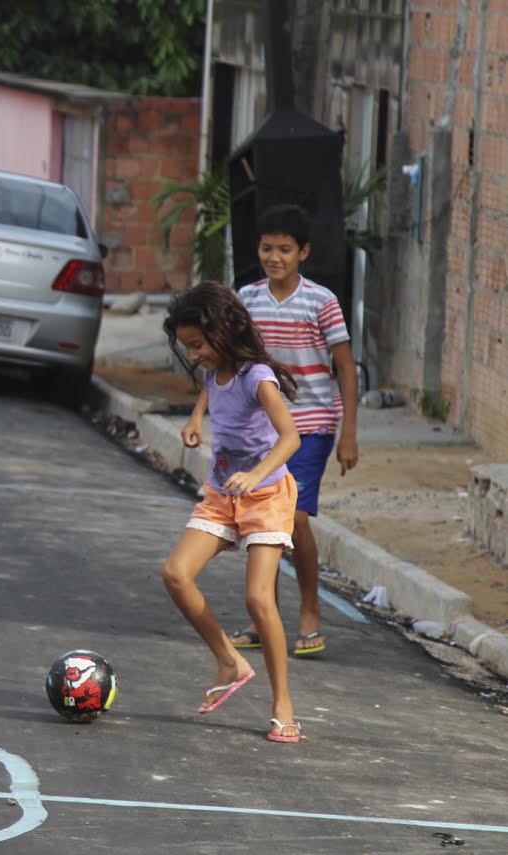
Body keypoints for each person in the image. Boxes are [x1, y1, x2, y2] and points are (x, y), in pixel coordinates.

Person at [162, 281, 303, 743]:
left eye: (199, 345)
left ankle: (283, 704)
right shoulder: (213, 371)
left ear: (223, 331)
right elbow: (210, 388)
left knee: (258, 600)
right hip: (224, 494)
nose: (195, 354)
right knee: (176, 574)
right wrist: (196, 418)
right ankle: (229, 659)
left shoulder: (256, 375)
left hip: (267, 496)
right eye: (189, 347)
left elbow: (290, 438)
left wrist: (255, 472)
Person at [228, 204, 359, 658]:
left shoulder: (321, 301)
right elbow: (231, 360)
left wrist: (348, 434)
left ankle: (309, 614)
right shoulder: (247, 299)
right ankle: (263, 618)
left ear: (303, 251)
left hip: (311, 425)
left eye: (285, 249)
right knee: (263, 522)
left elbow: (344, 367)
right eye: (267, 248)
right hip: (261, 429)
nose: (275, 257)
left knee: (295, 517)